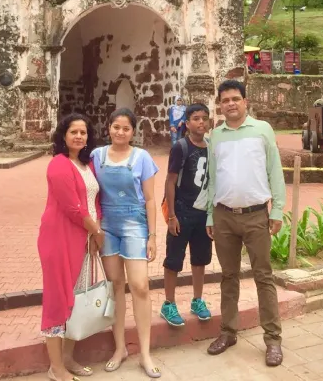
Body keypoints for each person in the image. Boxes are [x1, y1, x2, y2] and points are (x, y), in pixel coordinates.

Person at [204, 80, 286, 368]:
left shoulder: (262, 130)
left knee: (263, 276)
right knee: (228, 276)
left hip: (256, 215)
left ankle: (273, 339)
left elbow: (274, 170)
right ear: (220, 104)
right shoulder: (215, 136)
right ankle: (228, 332)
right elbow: (212, 178)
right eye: (225, 100)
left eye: (235, 98)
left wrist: (276, 210)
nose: (230, 104)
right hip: (223, 215)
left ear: (245, 101)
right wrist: (210, 215)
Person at [91, 109, 162, 379]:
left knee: (140, 286)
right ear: (108, 128)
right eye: (116, 127)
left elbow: (151, 199)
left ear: (133, 131)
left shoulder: (142, 157)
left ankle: (144, 352)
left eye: (126, 128)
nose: (120, 132)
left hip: (135, 225)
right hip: (107, 226)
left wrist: (153, 236)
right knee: (115, 287)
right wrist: (92, 231)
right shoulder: (97, 157)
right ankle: (119, 348)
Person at [38, 114, 105, 381]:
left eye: (83, 132)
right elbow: (72, 208)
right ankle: (56, 368)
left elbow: (93, 200)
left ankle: (67, 358)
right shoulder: (58, 164)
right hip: (60, 238)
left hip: (84, 238)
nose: (79, 136)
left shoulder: (87, 165)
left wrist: (93, 233)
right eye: (73, 132)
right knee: (57, 300)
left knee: (75, 299)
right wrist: (97, 232)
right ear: (63, 136)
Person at [160, 103, 213, 327]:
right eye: (195, 118)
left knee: (200, 259)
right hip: (182, 210)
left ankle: (197, 299)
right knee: (174, 259)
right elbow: (170, 181)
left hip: (203, 212)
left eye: (204, 118)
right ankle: (168, 303)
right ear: (187, 123)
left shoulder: (211, 147)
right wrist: (172, 215)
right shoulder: (181, 147)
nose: (201, 122)